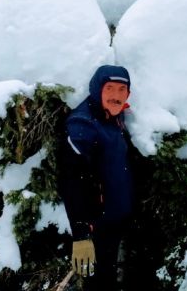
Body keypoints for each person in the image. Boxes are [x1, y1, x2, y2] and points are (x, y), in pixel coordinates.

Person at [58, 65, 135, 290]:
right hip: (98, 226)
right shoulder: (83, 124)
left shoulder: (112, 117)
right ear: (96, 89)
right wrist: (81, 234)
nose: (116, 95)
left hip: (117, 218)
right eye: (109, 88)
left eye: (122, 90)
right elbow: (72, 180)